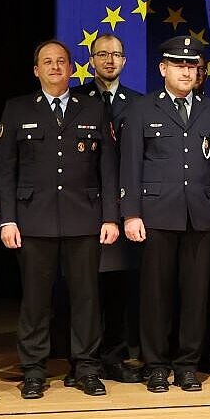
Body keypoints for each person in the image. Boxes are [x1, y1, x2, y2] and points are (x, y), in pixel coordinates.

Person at [0, 40, 119, 398]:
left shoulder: (94, 108)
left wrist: (110, 217)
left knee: (86, 298)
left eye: (61, 61)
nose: (54, 67)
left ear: (71, 68)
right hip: (33, 220)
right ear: (36, 70)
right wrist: (8, 219)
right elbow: (6, 170)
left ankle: (85, 368)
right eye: (47, 62)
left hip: (85, 219)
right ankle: (34, 370)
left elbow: (108, 168)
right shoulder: (17, 109)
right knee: (35, 302)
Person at [119, 36, 210, 393]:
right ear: (163, 69)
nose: (187, 71)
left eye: (192, 66)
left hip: (201, 216)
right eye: (179, 64)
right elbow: (130, 167)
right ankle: (156, 364)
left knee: (197, 294)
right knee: (155, 295)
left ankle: (188, 363)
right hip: (156, 215)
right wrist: (131, 214)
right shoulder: (141, 110)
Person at [85, 32, 143, 383]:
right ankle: (84, 357)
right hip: (81, 203)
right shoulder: (75, 99)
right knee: (83, 286)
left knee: (118, 285)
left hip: (122, 204)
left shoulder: (138, 103)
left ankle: (115, 355)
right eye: (102, 54)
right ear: (91, 60)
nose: (109, 60)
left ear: (124, 61)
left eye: (116, 54)